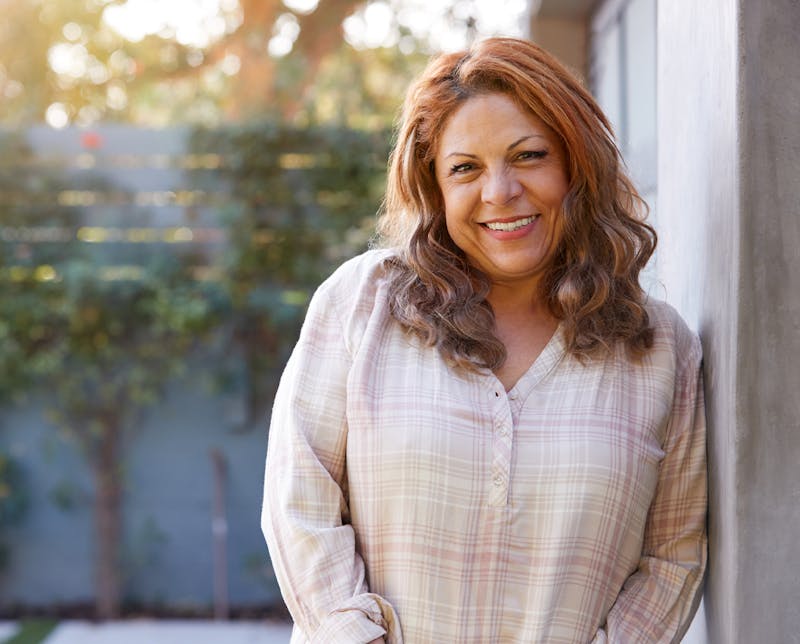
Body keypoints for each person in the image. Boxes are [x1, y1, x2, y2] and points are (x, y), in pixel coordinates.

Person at [261, 37, 706, 643]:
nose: (499, 192)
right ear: (434, 188)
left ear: (577, 165)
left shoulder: (660, 351)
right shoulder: (360, 306)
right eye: (465, 168)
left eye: (528, 156)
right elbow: (299, 502)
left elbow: (672, 557)